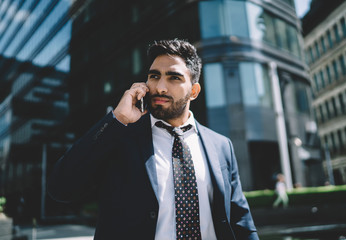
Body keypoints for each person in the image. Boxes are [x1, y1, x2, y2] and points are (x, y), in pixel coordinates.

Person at [48, 39, 258, 240]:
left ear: (194, 91)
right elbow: (61, 187)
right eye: (154, 76)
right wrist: (117, 119)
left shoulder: (221, 146)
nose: (160, 87)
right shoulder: (119, 135)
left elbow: (241, 222)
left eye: (174, 77)